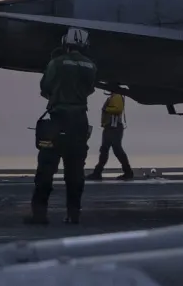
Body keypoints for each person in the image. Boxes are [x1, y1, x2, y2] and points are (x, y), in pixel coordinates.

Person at [28, 28, 98, 225]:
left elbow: (45, 86)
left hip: (57, 120)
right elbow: (90, 89)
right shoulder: (91, 65)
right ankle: (74, 214)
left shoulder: (56, 63)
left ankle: (39, 215)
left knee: (46, 168)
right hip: (79, 122)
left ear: (65, 43)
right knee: (75, 170)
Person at [89, 89, 133, 181]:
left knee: (115, 149)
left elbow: (118, 109)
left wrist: (106, 109)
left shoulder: (117, 96)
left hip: (114, 127)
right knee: (106, 149)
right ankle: (98, 172)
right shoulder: (113, 97)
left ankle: (128, 172)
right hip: (110, 127)